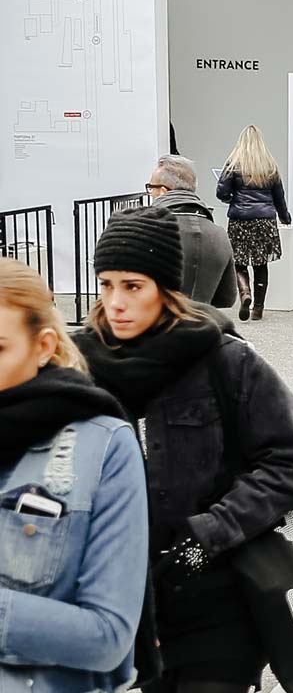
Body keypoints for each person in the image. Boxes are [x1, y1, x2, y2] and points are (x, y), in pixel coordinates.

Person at [76, 207, 293, 693]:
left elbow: (289, 465)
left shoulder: (225, 360)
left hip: (217, 606)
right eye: (106, 285)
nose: (116, 302)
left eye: (133, 286)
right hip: (116, 603)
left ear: (166, 289)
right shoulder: (77, 365)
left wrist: (209, 534)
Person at [0, 259, 148, 692]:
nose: (118, 302)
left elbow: (107, 636)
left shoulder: (101, 446)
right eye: (107, 285)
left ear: (43, 346)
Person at [215, 124, 291, 321]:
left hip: (240, 220)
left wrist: (231, 198)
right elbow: (279, 197)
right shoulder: (269, 165)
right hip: (265, 221)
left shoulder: (233, 164)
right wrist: (285, 217)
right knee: (260, 264)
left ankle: (245, 292)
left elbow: (221, 192)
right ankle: (258, 309)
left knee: (238, 262)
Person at [146, 154, 236, 310]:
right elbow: (226, 299)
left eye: (150, 188)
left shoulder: (147, 229)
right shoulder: (219, 234)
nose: (150, 193)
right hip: (202, 328)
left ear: (162, 191)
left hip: (157, 328)